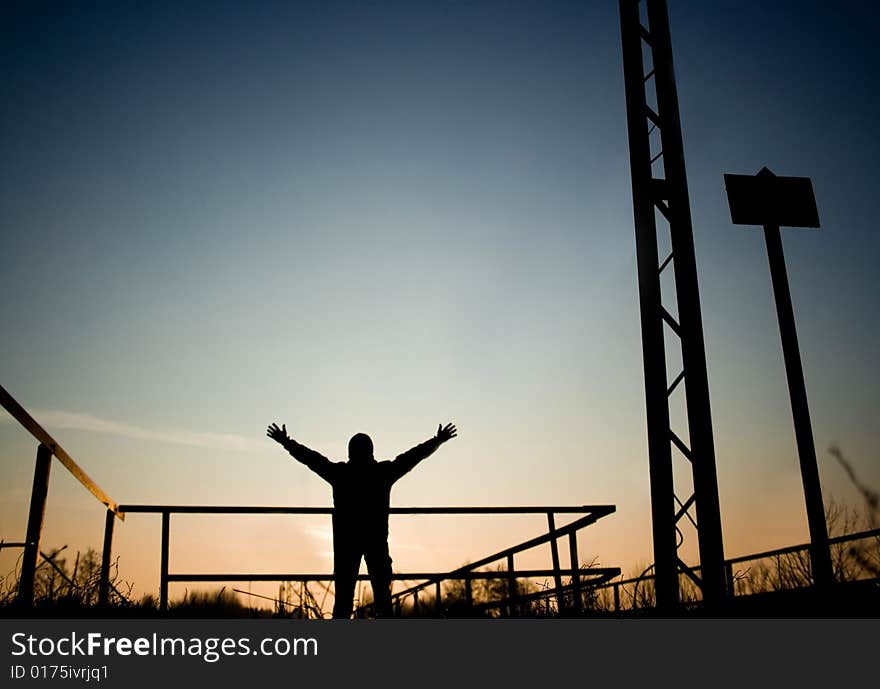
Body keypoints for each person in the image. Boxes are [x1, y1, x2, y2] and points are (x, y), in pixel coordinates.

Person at [266, 421, 457, 619]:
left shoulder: (341, 474)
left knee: (343, 601)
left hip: (347, 543)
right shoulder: (382, 473)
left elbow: (311, 459)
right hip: (376, 542)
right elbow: (412, 457)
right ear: (371, 452)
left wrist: (286, 442)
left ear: (350, 453)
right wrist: (437, 441)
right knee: (382, 599)